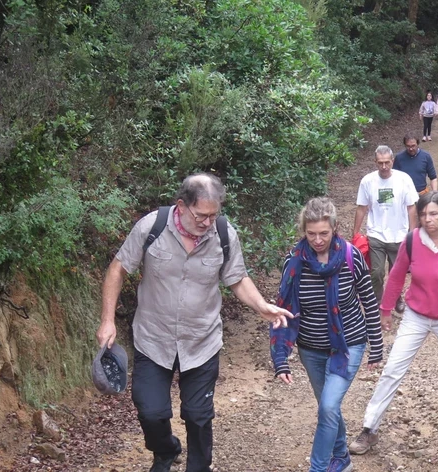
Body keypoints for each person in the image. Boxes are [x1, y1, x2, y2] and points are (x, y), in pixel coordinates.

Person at [95, 173, 293, 472]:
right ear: (181, 206)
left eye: (214, 215)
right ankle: (166, 450)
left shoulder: (224, 234)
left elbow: (237, 278)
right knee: (150, 412)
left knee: (198, 416)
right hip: (153, 339)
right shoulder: (152, 227)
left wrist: (261, 306)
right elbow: (117, 270)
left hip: (202, 341)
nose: (207, 222)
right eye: (201, 215)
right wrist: (107, 321)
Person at [348, 191, 438, 456]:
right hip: (416, 316)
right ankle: (370, 428)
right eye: (424, 214)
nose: (428, 219)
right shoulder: (412, 240)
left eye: (434, 213)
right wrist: (385, 309)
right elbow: (396, 276)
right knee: (392, 369)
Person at [271, 197, 384, 472]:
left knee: (329, 406)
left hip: (348, 344)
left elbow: (368, 300)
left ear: (334, 228)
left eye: (324, 233)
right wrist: (280, 358)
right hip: (310, 347)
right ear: (304, 231)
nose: (318, 240)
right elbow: (282, 310)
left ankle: (319, 467)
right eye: (311, 234)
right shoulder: (294, 262)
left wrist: (376, 345)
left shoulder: (350, 256)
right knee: (327, 407)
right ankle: (341, 457)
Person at [355, 145, 419, 311]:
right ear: (375, 162)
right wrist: (355, 233)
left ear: (392, 161)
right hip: (376, 233)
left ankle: (396, 299)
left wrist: (412, 233)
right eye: (380, 163)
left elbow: (411, 207)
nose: (384, 166)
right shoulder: (367, 181)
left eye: (387, 162)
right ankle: (377, 301)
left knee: (396, 272)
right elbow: (361, 207)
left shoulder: (404, 179)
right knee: (376, 272)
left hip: (399, 234)